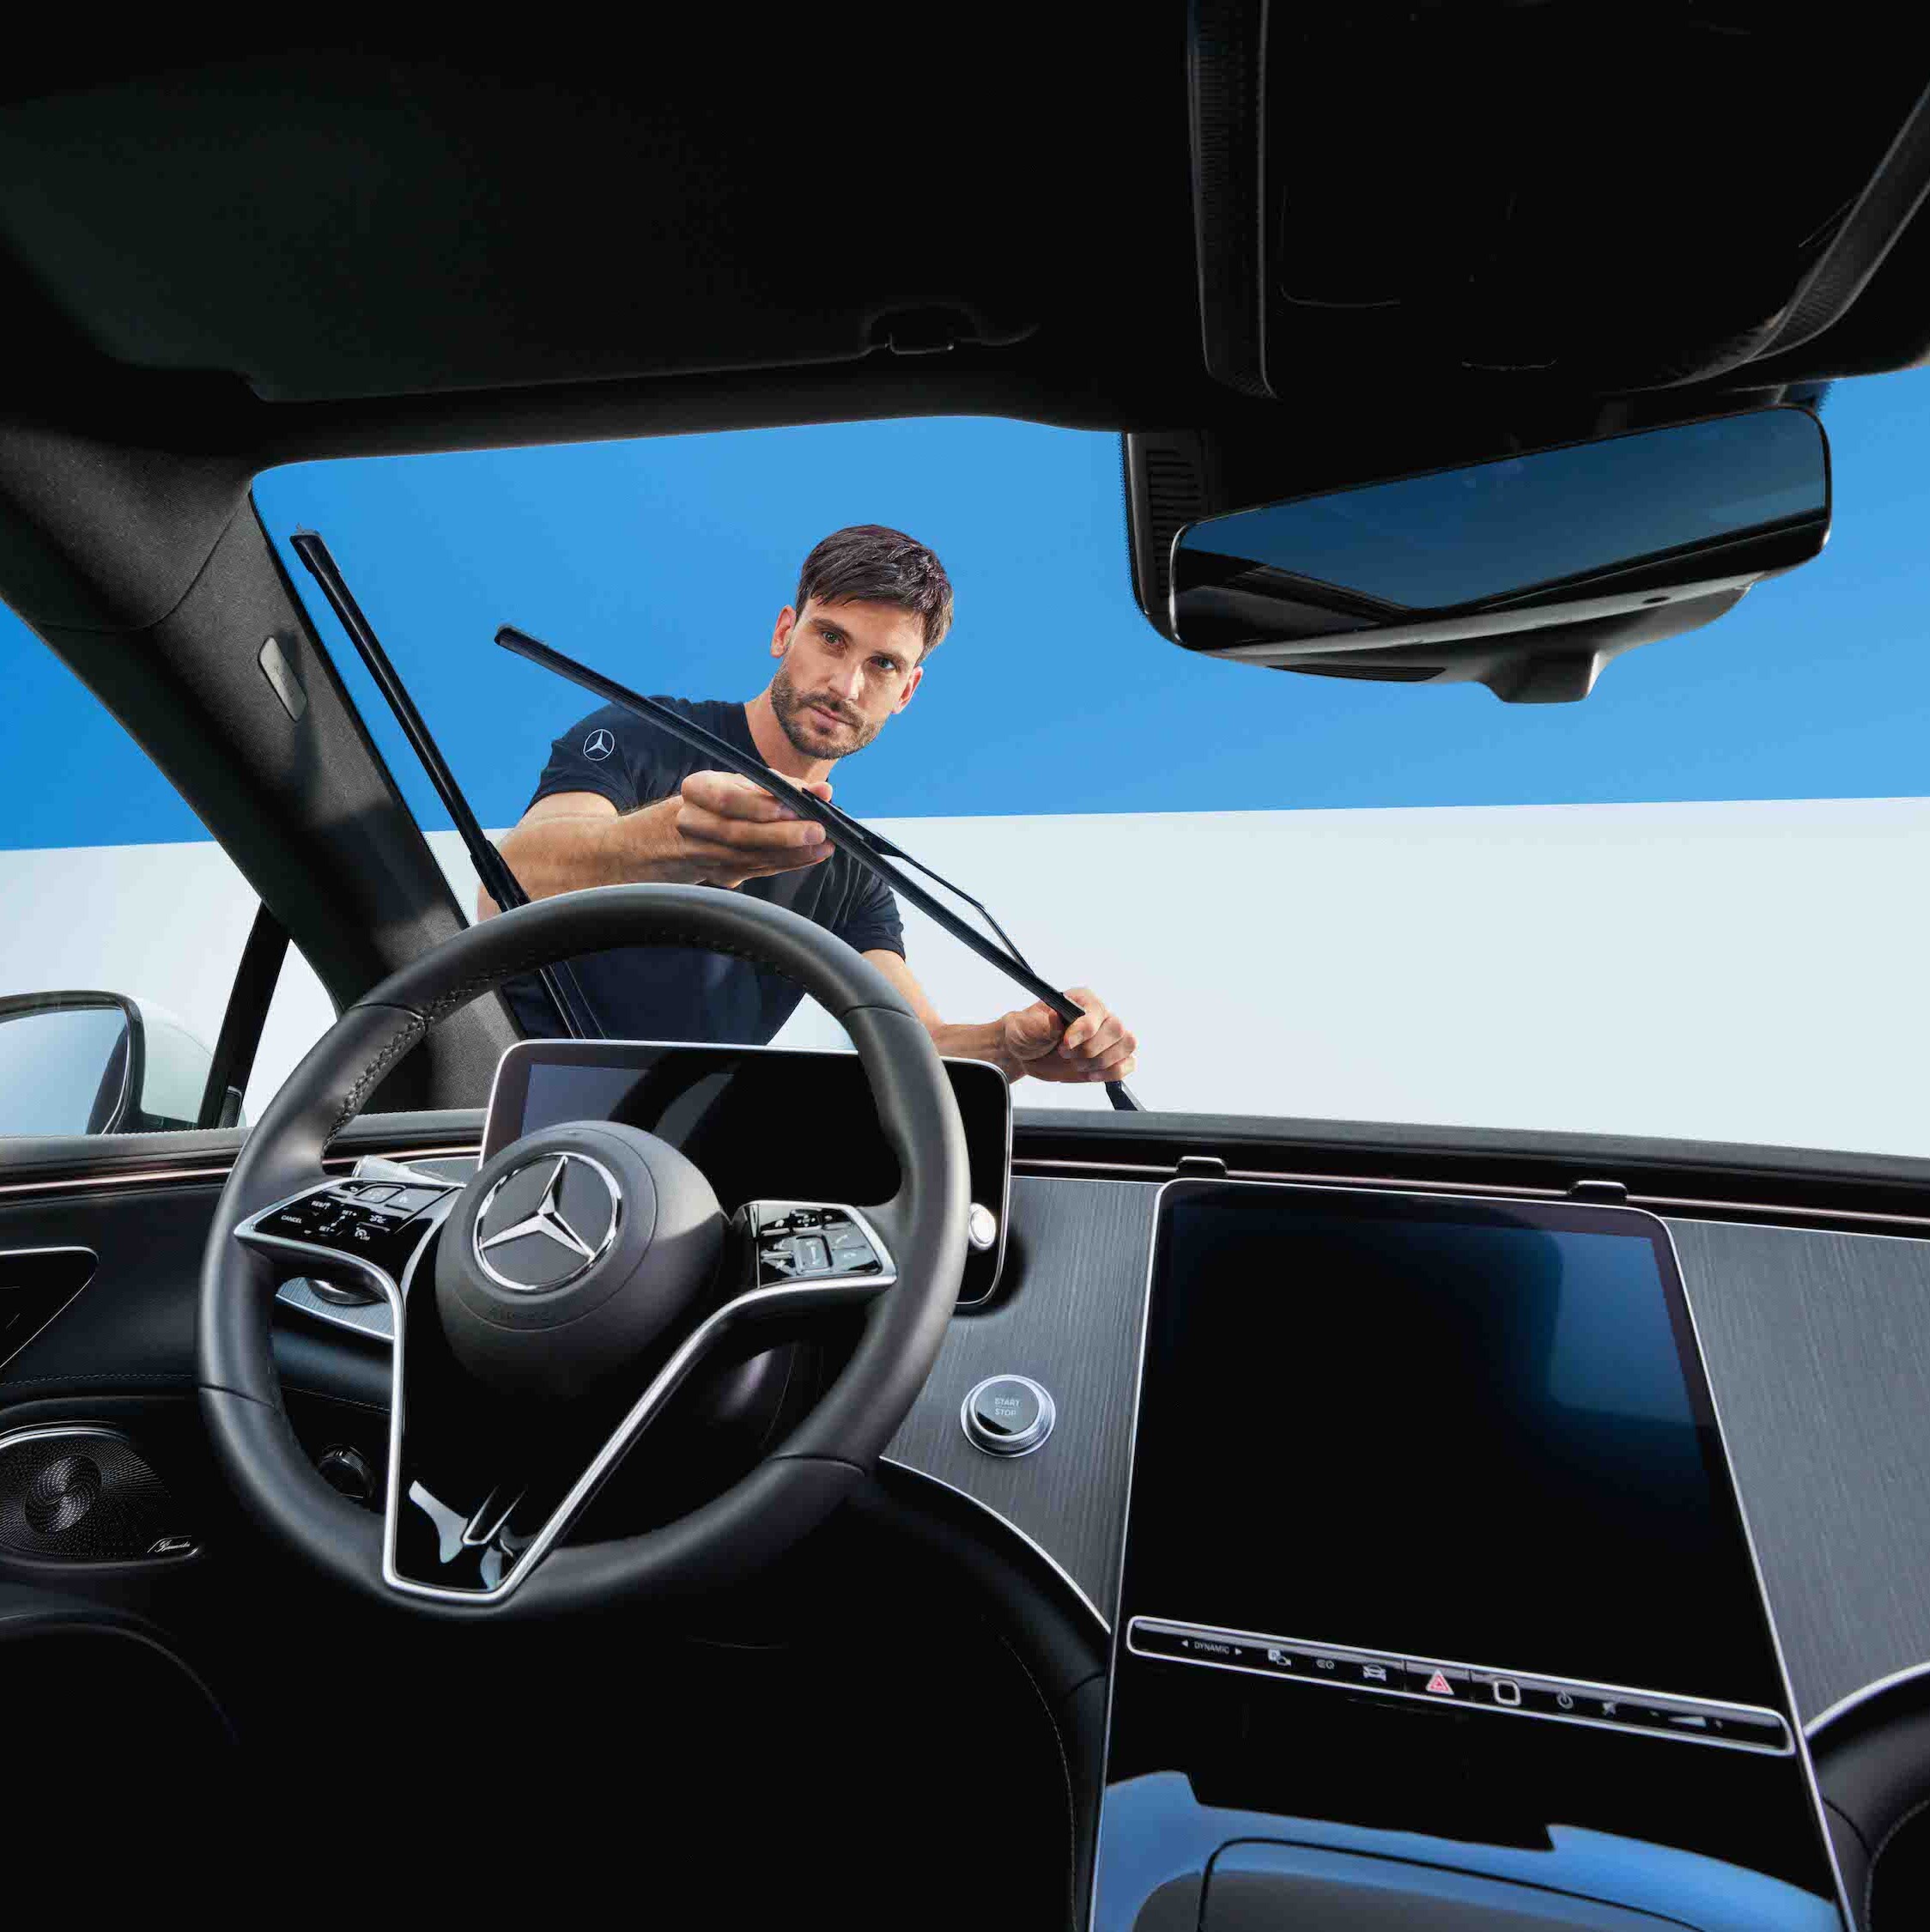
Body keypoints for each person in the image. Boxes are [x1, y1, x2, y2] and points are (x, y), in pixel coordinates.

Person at [484, 525, 1137, 1088]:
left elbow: (915, 1042)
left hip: (673, 1150)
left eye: (882, 664)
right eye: (831, 639)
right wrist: (669, 843)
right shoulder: (639, 736)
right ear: (784, 632)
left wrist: (1011, 1045)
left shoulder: (850, 869)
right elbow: (506, 887)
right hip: (502, 1096)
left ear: (906, 691)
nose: (845, 685)